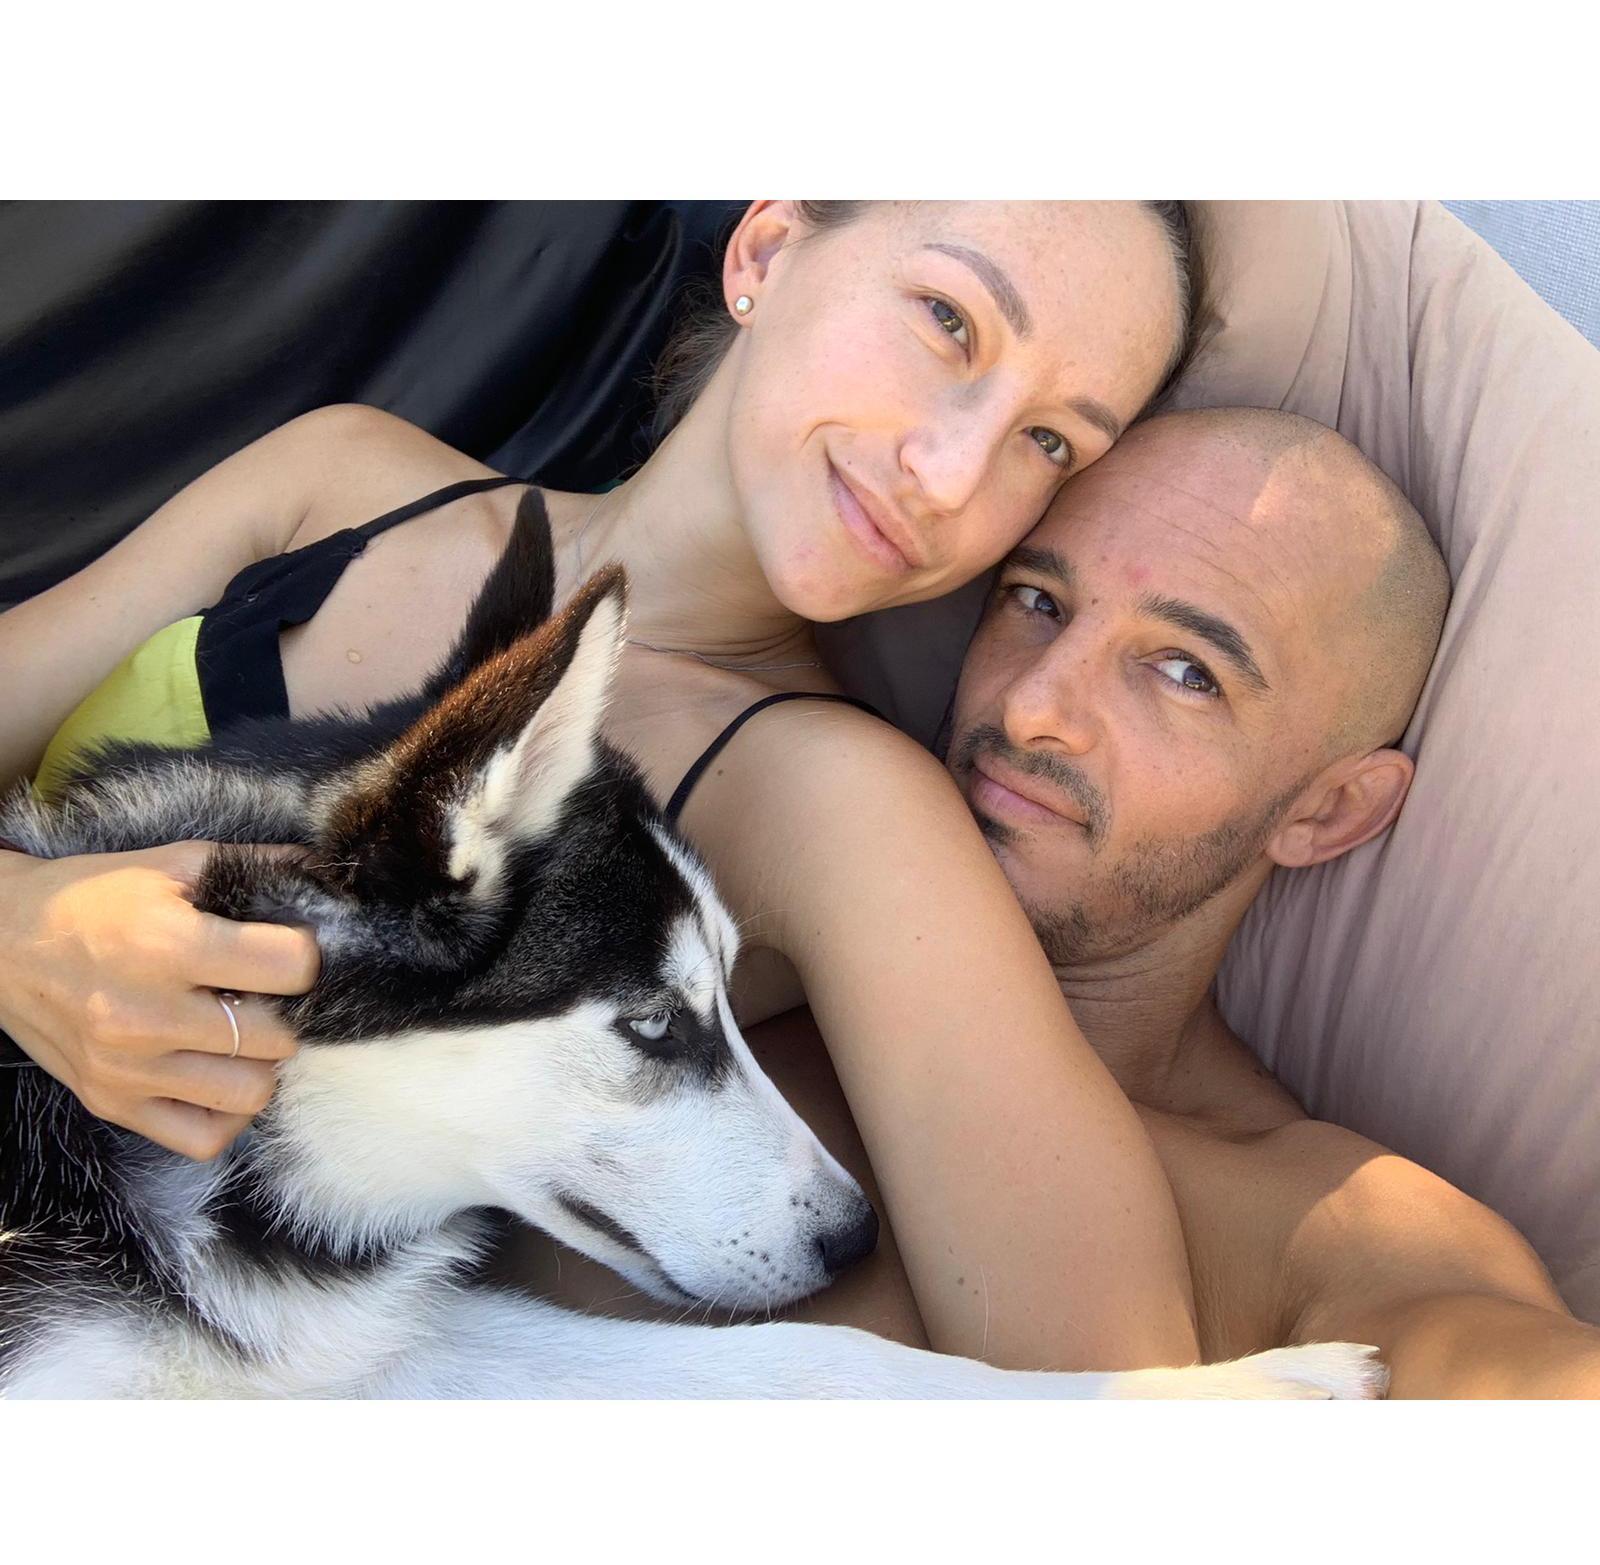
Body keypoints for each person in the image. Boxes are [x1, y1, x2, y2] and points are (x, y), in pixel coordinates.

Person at [0, 200, 1209, 1373]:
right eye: (948, 320)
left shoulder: (843, 810)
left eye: (1049, 441)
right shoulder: (340, 481)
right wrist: (19, 931)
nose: (949, 474)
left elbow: (1109, 1375)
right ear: (767, 249)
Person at [558, 404, 1594, 1397]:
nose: (1033, 705)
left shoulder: (1323, 1221)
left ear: (1327, 810)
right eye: (1038, 602)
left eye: (1184, 671)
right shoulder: (743, 889)